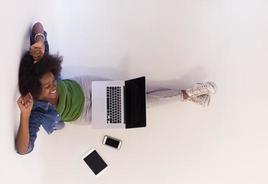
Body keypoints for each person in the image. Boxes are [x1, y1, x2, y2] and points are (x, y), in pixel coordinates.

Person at [15, 22, 217, 155]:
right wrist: (24, 115)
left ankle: (189, 94)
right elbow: (23, 149)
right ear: (33, 91)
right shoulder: (37, 113)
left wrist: (40, 39)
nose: (54, 88)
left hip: (86, 87)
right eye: (48, 87)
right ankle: (188, 94)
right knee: (141, 105)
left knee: (137, 90)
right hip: (87, 114)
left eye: (54, 82)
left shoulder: (39, 63)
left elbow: (38, 26)